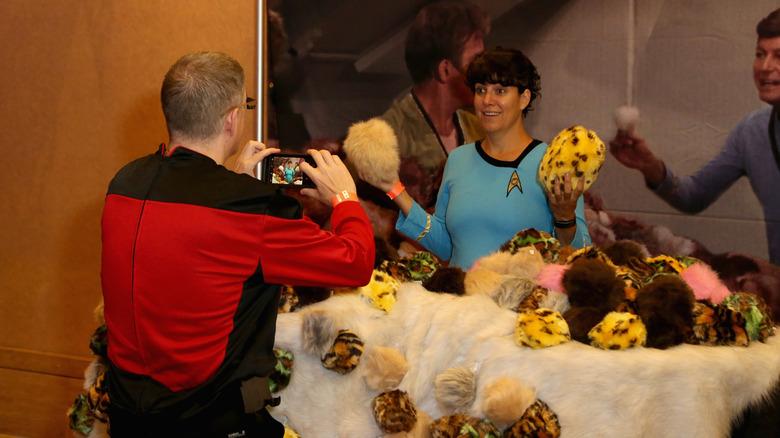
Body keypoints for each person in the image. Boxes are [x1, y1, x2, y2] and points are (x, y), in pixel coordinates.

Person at [100, 51, 374, 437]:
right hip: (213, 419)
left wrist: (233, 183)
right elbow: (356, 262)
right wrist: (345, 197)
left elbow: (187, 252)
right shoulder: (248, 209)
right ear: (232, 118)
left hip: (129, 415)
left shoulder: (123, 184)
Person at [364, 48, 591, 269]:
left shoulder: (553, 162)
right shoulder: (458, 159)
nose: (487, 100)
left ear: (524, 99)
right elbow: (445, 245)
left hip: (524, 303)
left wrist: (564, 218)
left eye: (500, 91)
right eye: (481, 90)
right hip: (463, 302)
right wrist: (394, 188)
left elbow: (580, 254)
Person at [609, 7, 780, 266]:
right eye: (760, 54)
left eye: (779, 56)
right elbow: (695, 196)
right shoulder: (751, 131)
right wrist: (649, 166)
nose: (765, 67)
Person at [376, 0, 490, 209]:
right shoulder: (384, 138)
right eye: (477, 61)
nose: (486, 72)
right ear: (445, 70)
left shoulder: (480, 128)